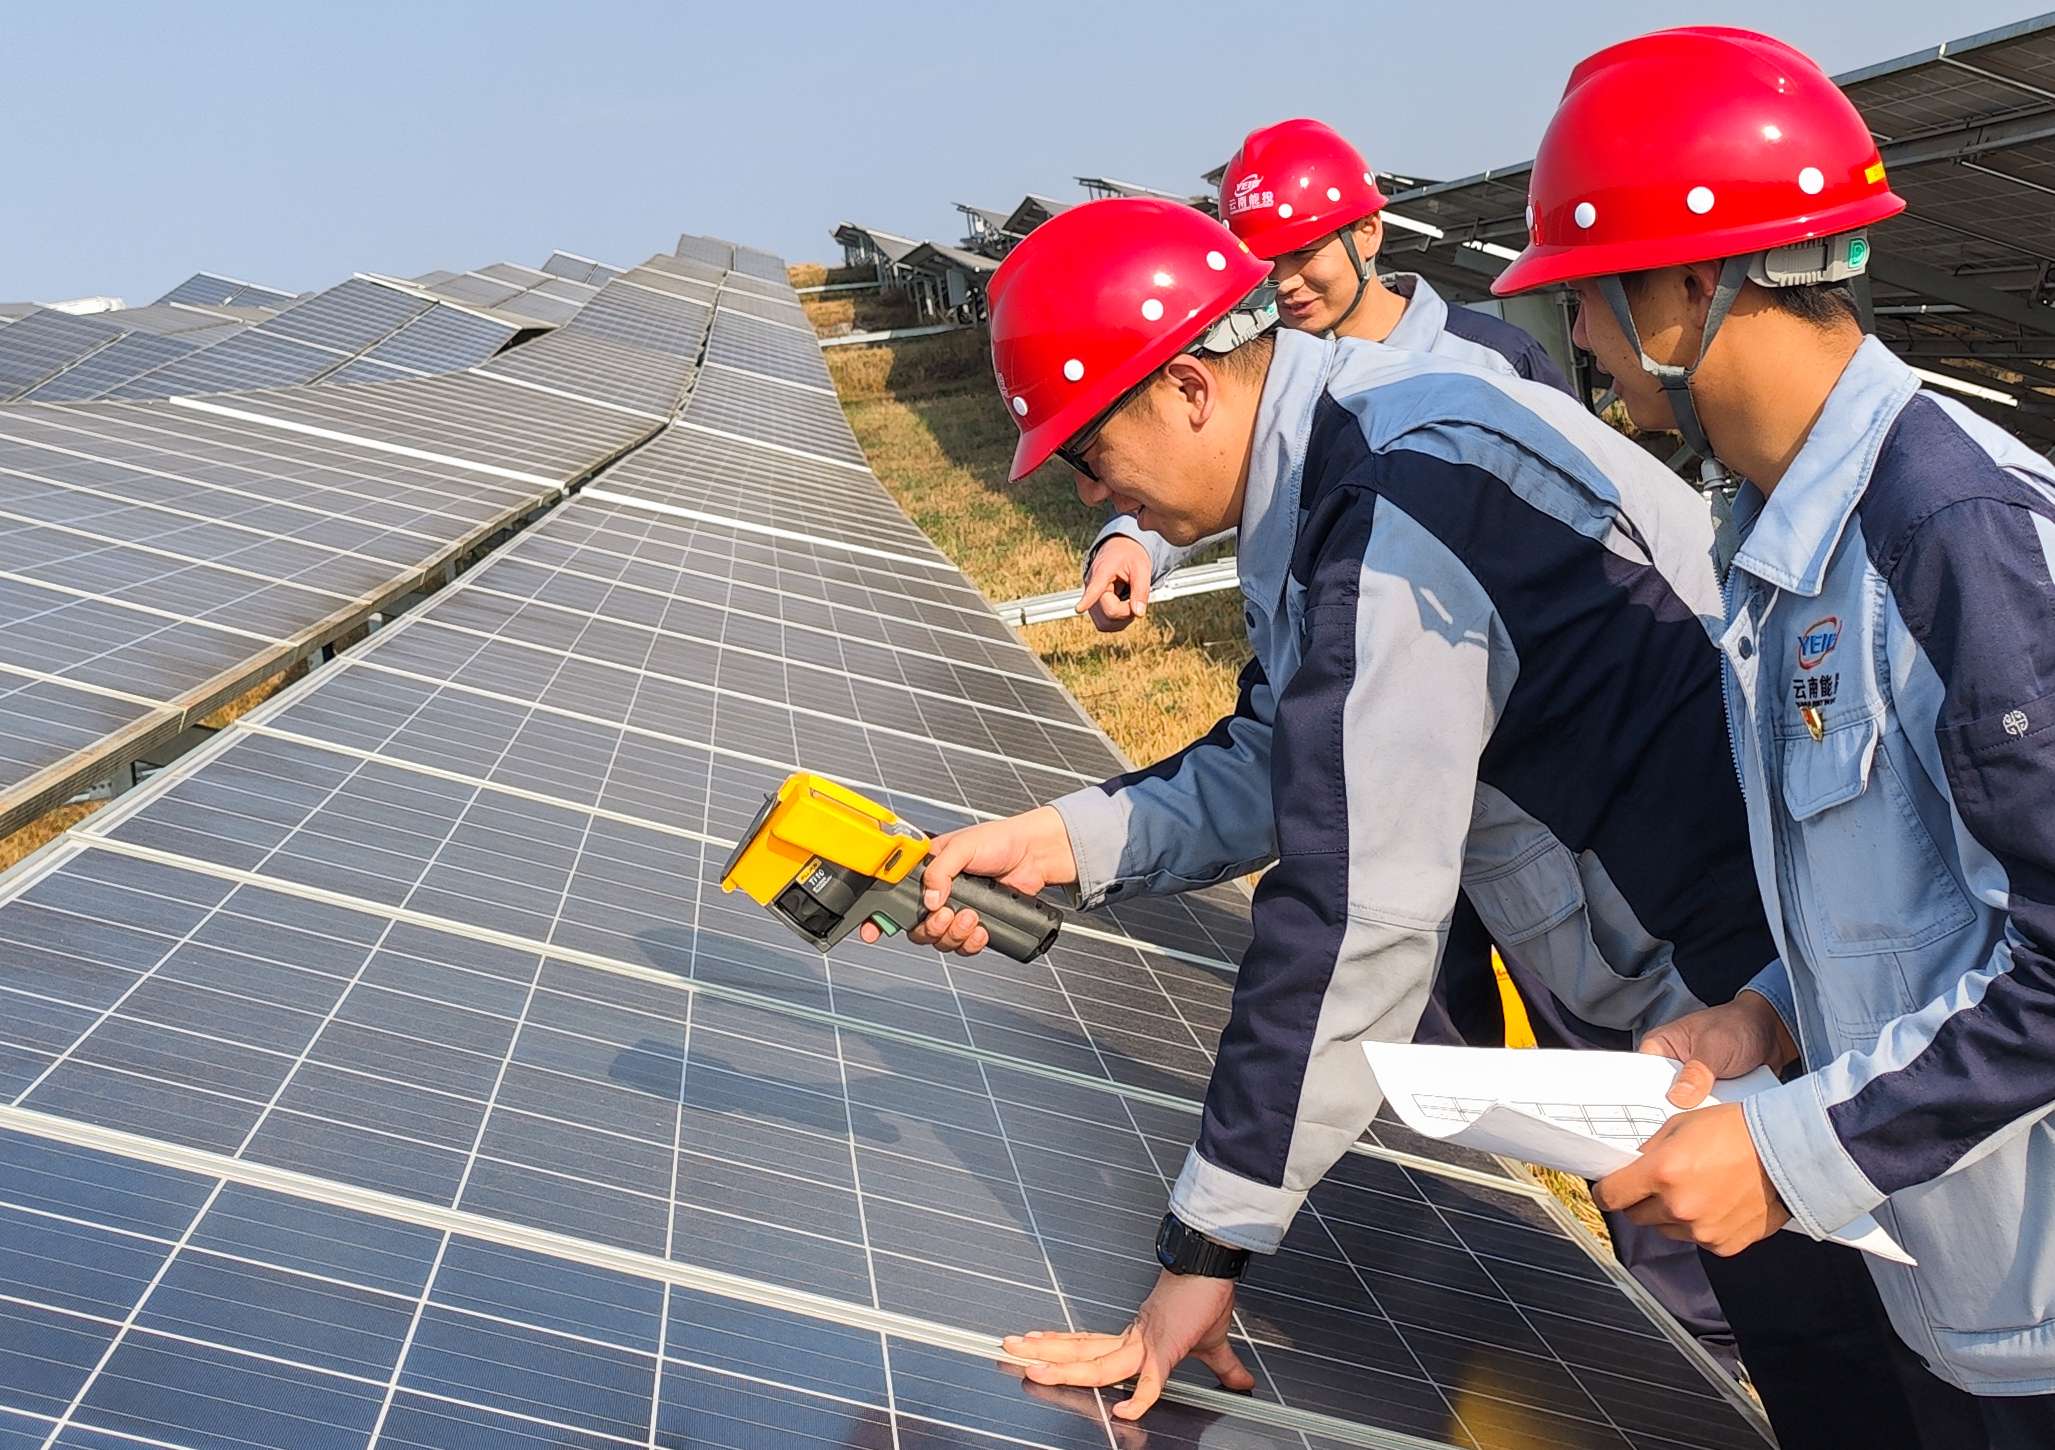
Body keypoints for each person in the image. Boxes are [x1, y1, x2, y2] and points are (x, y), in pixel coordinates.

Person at [872, 194, 1968, 1446]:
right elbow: (1292, 752)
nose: (1090, 494)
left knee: (1880, 1378)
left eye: (1087, 451)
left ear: (1187, 387)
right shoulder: (1343, 465)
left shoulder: (1398, 497)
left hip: (1762, 989)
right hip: (1717, 974)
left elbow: (1355, 911)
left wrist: (1204, 1250)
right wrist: (1061, 841)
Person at [1491, 25, 2055, 1447]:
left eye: (1588, 299)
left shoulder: (1952, 541)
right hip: (1960, 1292)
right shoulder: (1788, 543)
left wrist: (1794, 1148)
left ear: (1691, 291)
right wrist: (1768, 1012)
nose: (1580, 342)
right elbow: (1925, 898)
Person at [1077, 118, 1571, 635]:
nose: (1284, 282)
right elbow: (1221, 471)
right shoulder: (1266, 379)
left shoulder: (1493, 362)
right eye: (1265, 262)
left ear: (1368, 232)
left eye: (1302, 251)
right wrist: (1131, 539)